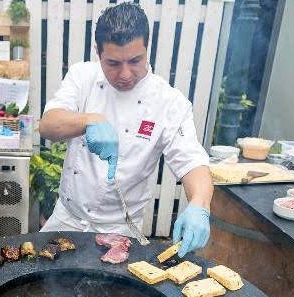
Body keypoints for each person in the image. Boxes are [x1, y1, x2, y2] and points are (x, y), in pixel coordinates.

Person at [39, 3, 213, 258]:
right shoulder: (82, 77)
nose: (125, 74)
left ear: (146, 49)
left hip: (120, 231)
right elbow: (48, 125)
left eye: (135, 61)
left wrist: (199, 204)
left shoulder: (168, 102)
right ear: (97, 52)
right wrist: (89, 120)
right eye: (113, 63)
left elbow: (193, 163)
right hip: (67, 220)